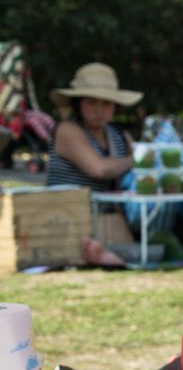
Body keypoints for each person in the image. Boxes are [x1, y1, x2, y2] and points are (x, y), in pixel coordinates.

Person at [46, 62, 140, 266]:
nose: (99, 110)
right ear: (78, 104)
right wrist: (137, 159)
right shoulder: (67, 130)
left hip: (110, 222)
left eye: (106, 103)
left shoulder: (119, 136)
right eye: (91, 102)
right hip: (68, 221)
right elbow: (99, 169)